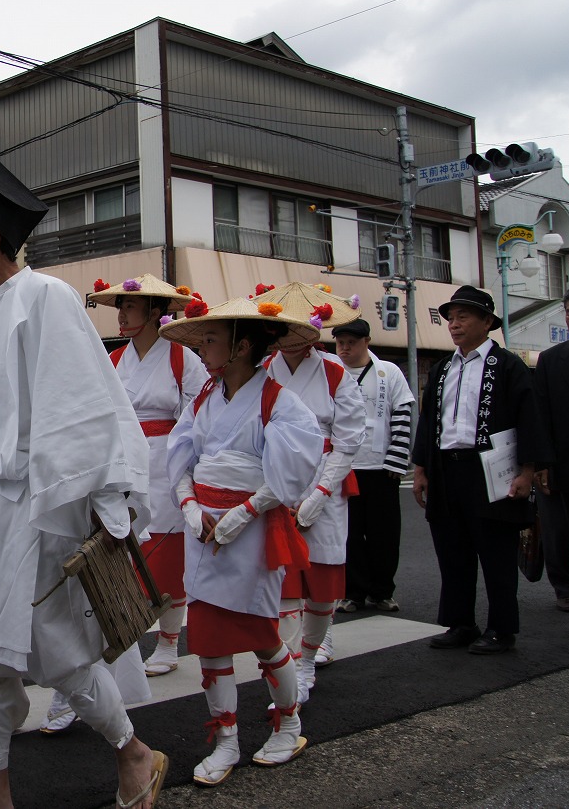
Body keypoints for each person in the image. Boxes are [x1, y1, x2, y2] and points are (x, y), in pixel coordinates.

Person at [0, 130, 167, 809]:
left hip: (37, 509)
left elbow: (87, 405)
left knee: (56, 652)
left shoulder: (46, 298)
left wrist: (99, 505)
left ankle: (135, 752)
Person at [159, 293, 324, 786]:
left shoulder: (280, 402)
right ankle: (226, 738)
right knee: (208, 636)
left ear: (242, 346)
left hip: (249, 528)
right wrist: (188, 504)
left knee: (261, 634)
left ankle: (289, 723)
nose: (204, 346)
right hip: (204, 529)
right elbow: (179, 452)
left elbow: (292, 470)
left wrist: (247, 510)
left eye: (212, 338)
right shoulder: (204, 398)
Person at [90, 273, 209, 677]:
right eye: (120, 306)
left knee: (167, 553)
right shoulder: (113, 359)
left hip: (166, 462)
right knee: (123, 550)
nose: (122, 314)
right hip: (124, 463)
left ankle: (169, 643)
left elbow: (197, 417)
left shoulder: (182, 358)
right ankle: (124, 638)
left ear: (156, 312)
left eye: (131, 306)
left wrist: (187, 466)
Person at [412, 285, 540, 654]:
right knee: (452, 550)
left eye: (463, 316)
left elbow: (528, 420)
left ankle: (502, 629)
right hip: (447, 469)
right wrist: (421, 469)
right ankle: (461, 623)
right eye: (451, 318)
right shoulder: (441, 369)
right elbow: (428, 422)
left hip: (490, 470)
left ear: (487, 322)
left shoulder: (508, 365)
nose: (454, 324)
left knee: (497, 552)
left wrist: (527, 472)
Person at [260, 282, 366, 704]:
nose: (291, 334)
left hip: (323, 475)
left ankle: (306, 661)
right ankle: (288, 663)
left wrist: (322, 492)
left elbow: (349, 438)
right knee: (282, 576)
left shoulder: (334, 372)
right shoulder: (263, 369)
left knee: (321, 577)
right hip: (278, 476)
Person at [333, 318, 416, 614]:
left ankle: (382, 591)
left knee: (384, 533)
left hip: (381, 467)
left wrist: (397, 459)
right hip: (344, 467)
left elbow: (403, 414)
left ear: (367, 342)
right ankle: (353, 591)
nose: (344, 348)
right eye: (340, 343)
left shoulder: (389, 372)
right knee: (349, 533)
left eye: (351, 343)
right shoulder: (333, 371)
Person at [535, 285, 569, 619]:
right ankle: (563, 588)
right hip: (560, 461)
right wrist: (540, 462)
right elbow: (541, 413)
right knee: (556, 530)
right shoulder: (551, 360)